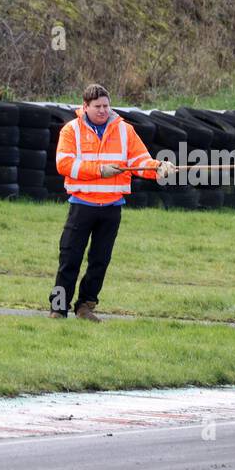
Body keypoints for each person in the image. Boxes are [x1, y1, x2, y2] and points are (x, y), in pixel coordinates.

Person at [50, 84, 174, 321]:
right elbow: (64, 164)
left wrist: (159, 167)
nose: (103, 110)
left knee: (100, 261)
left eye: (106, 106)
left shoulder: (125, 130)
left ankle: (85, 307)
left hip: (112, 208)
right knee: (69, 259)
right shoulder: (71, 131)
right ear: (85, 106)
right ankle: (57, 308)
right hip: (81, 205)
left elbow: (140, 161)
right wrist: (100, 170)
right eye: (98, 107)